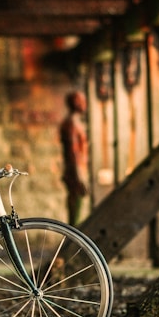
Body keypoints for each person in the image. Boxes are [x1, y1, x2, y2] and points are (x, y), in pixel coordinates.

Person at [59, 91, 90, 225]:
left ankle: (74, 237)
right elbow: (74, 153)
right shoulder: (71, 124)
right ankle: (73, 239)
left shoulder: (74, 122)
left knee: (77, 207)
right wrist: (80, 177)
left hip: (77, 171)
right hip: (75, 173)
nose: (85, 104)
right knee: (75, 210)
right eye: (82, 100)